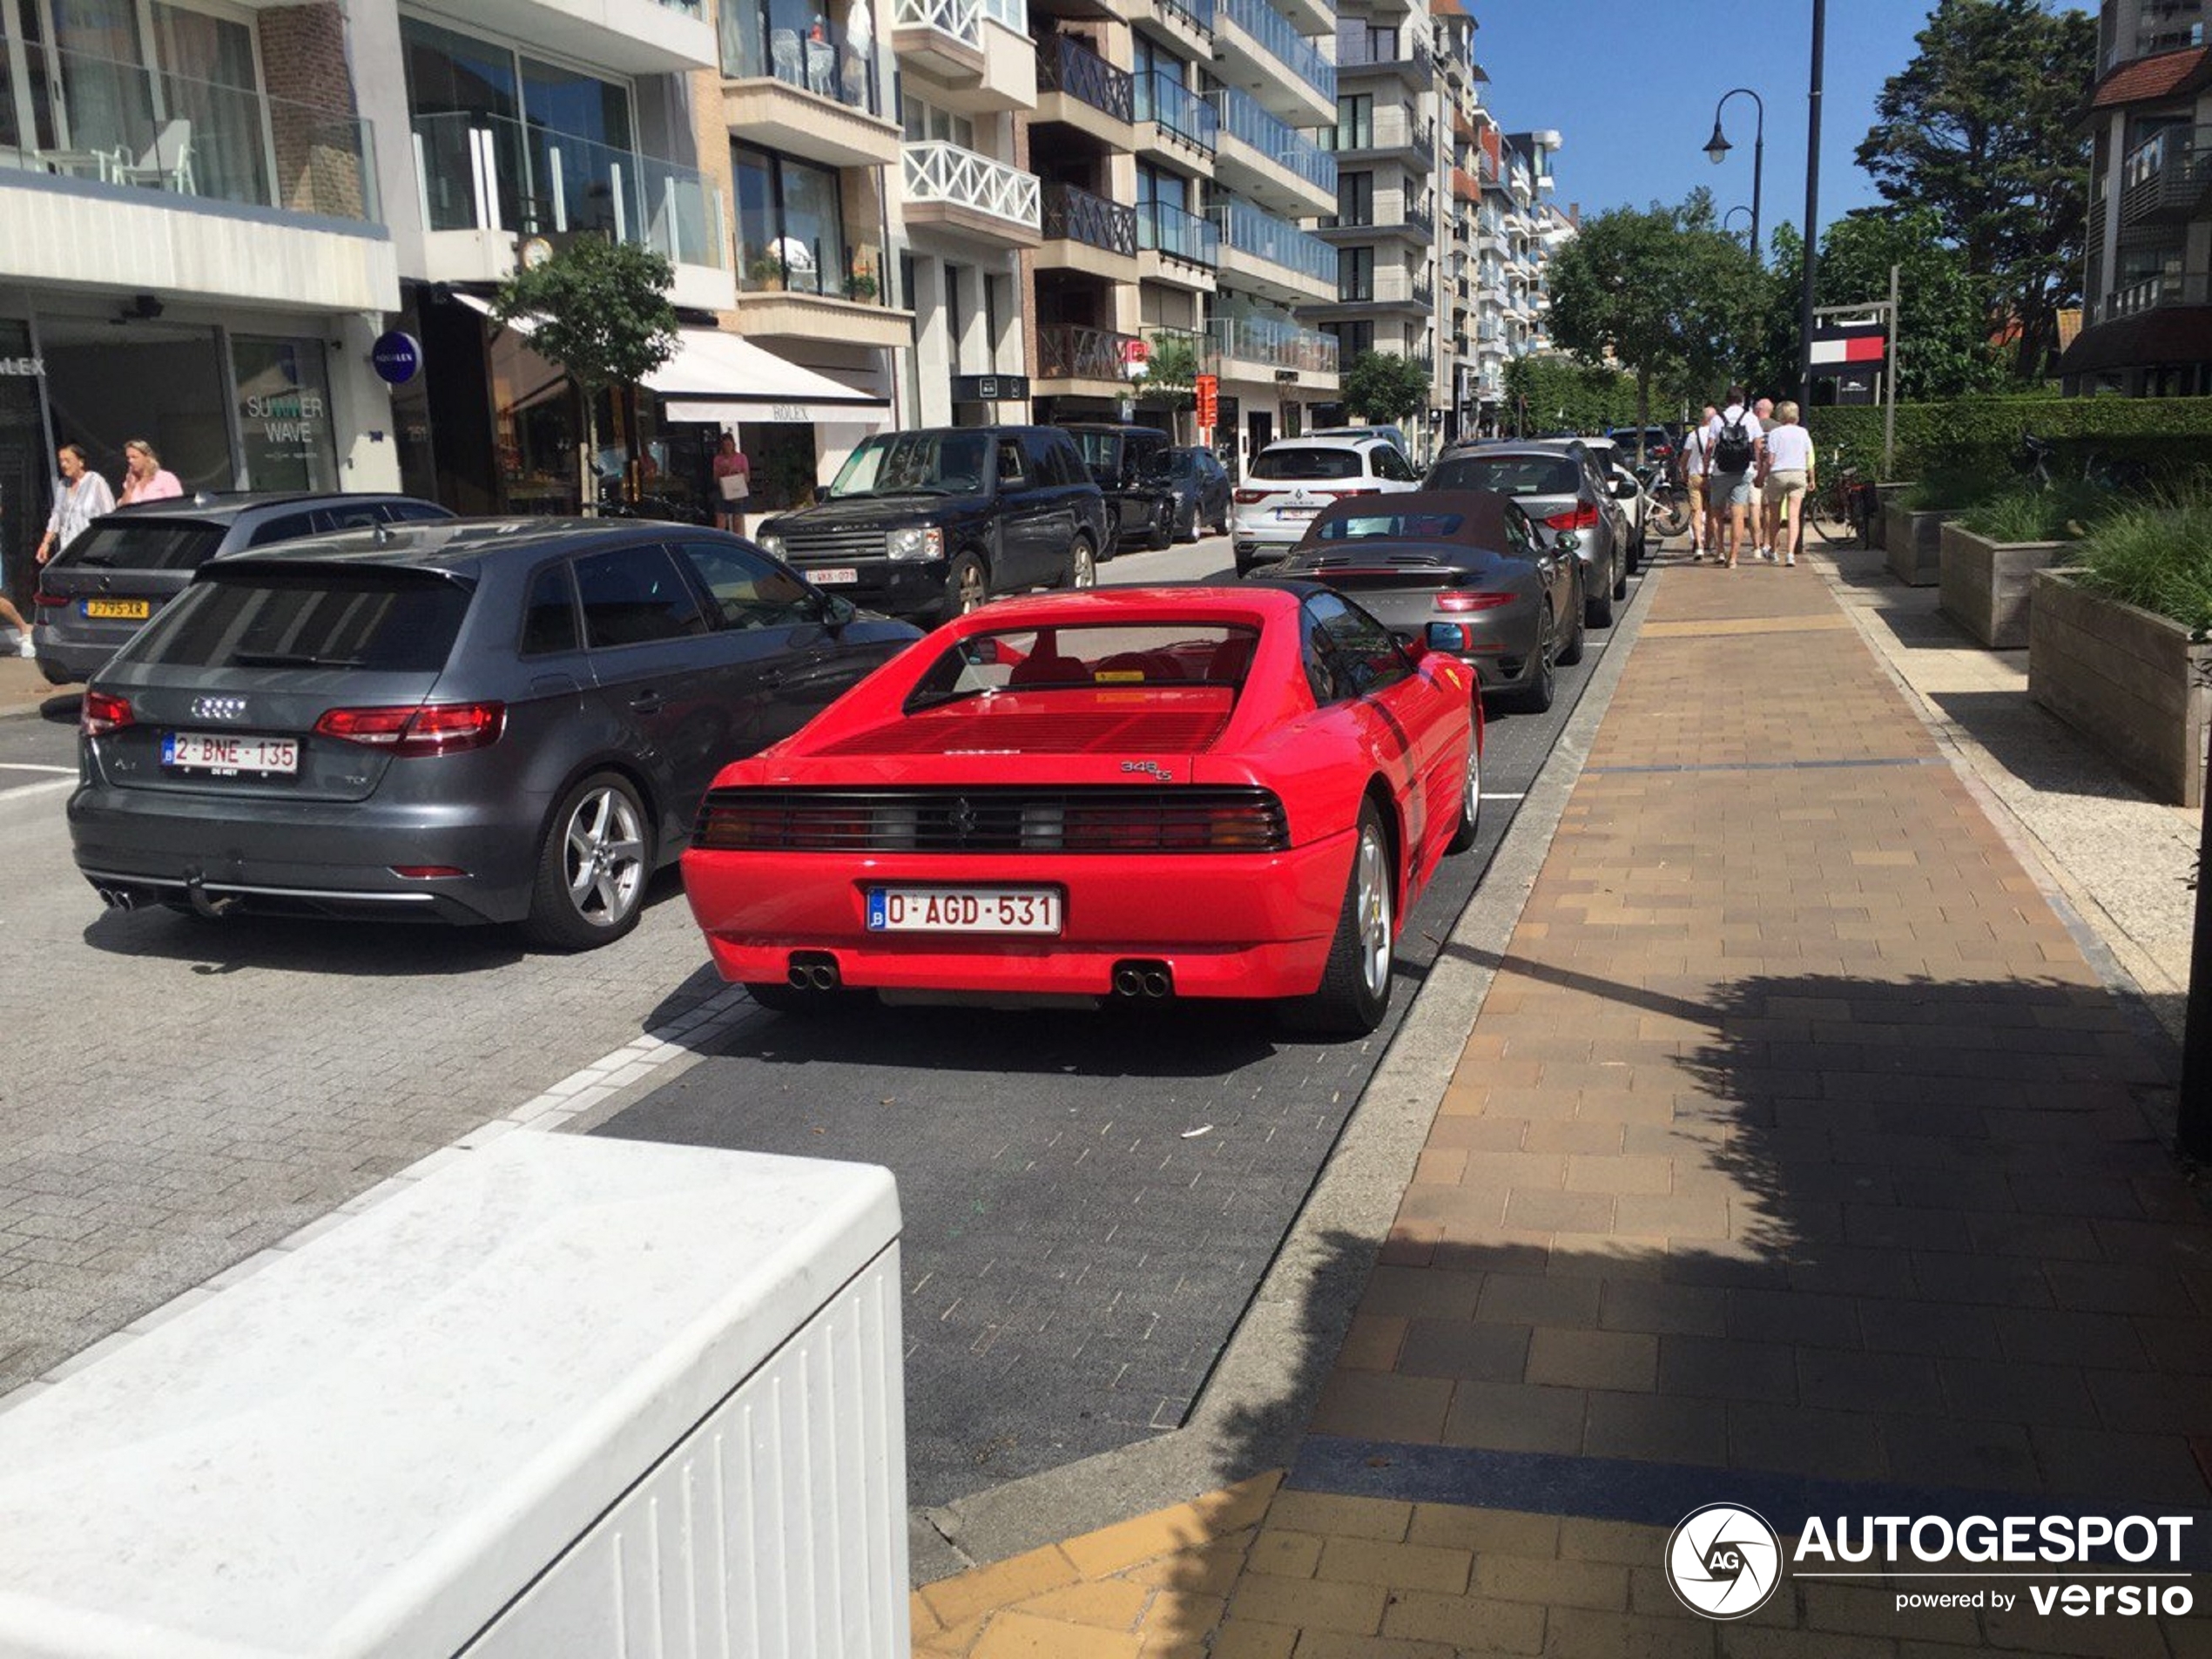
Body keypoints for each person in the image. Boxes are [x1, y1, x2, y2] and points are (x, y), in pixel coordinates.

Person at [1702, 386, 1764, 570]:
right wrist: (1759, 469)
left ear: (1726, 400)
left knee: (1716, 511)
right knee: (1738, 514)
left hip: (1720, 471)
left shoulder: (1717, 419)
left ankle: (1720, 550)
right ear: (1742, 399)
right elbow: (1759, 446)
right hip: (1743, 471)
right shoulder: (1751, 418)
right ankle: (1734, 558)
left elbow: (1709, 447)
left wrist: (1705, 471)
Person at [36, 443, 116, 568]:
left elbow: (109, 515)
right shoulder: (62, 485)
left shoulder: (95, 481)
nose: (63, 465)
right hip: (68, 553)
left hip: (91, 553)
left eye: (67, 460)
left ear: (80, 462)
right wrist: (45, 543)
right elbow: (56, 517)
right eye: (61, 461)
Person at [1761, 400, 1814, 568]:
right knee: (1794, 516)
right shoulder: (1803, 433)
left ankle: (1773, 551)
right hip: (1798, 473)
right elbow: (1808, 457)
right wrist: (1810, 477)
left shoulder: (1776, 433)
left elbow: (1770, 460)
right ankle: (1790, 554)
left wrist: (1762, 477)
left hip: (1778, 474)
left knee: (1775, 516)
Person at [1680, 404, 1717, 561]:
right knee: (1712, 512)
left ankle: (1699, 546)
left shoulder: (1693, 435)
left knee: (1696, 511)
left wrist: (1684, 473)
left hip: (1695, 475)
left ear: (1703, 418)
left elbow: (1684, 458)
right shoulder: (1719, 434)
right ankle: (1710, 544)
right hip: (1713, 476)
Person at [117, 438, 183, 505]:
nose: (130, 461)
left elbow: (177, 505)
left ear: (147, 457)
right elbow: (123, 509)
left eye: (134, 457)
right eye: (128, 458)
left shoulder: (166, 478)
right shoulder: (130, 481)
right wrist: (129, 489)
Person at [1750, 397, 1777, 559]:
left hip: (1754, 468)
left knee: (1754, 507)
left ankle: (1756, 546)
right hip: (1772, 469)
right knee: (1768, 508)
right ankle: (1767, 543)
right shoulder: (1778, 427)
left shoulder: (1752, 425)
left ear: (1758, 410)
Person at [711, 432, 752, 535]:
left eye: (729, 445)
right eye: (725, 445)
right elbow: (715, 479)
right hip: (723, 491)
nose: (727, 448)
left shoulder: (741, 458)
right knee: (721, 518)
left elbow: (747, 477)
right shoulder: (718, 459)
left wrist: (737, 474)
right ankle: (720, 540)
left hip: (737, 491)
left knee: (737, 518)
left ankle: (738, 541)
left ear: (733, 444)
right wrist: (723, 471)